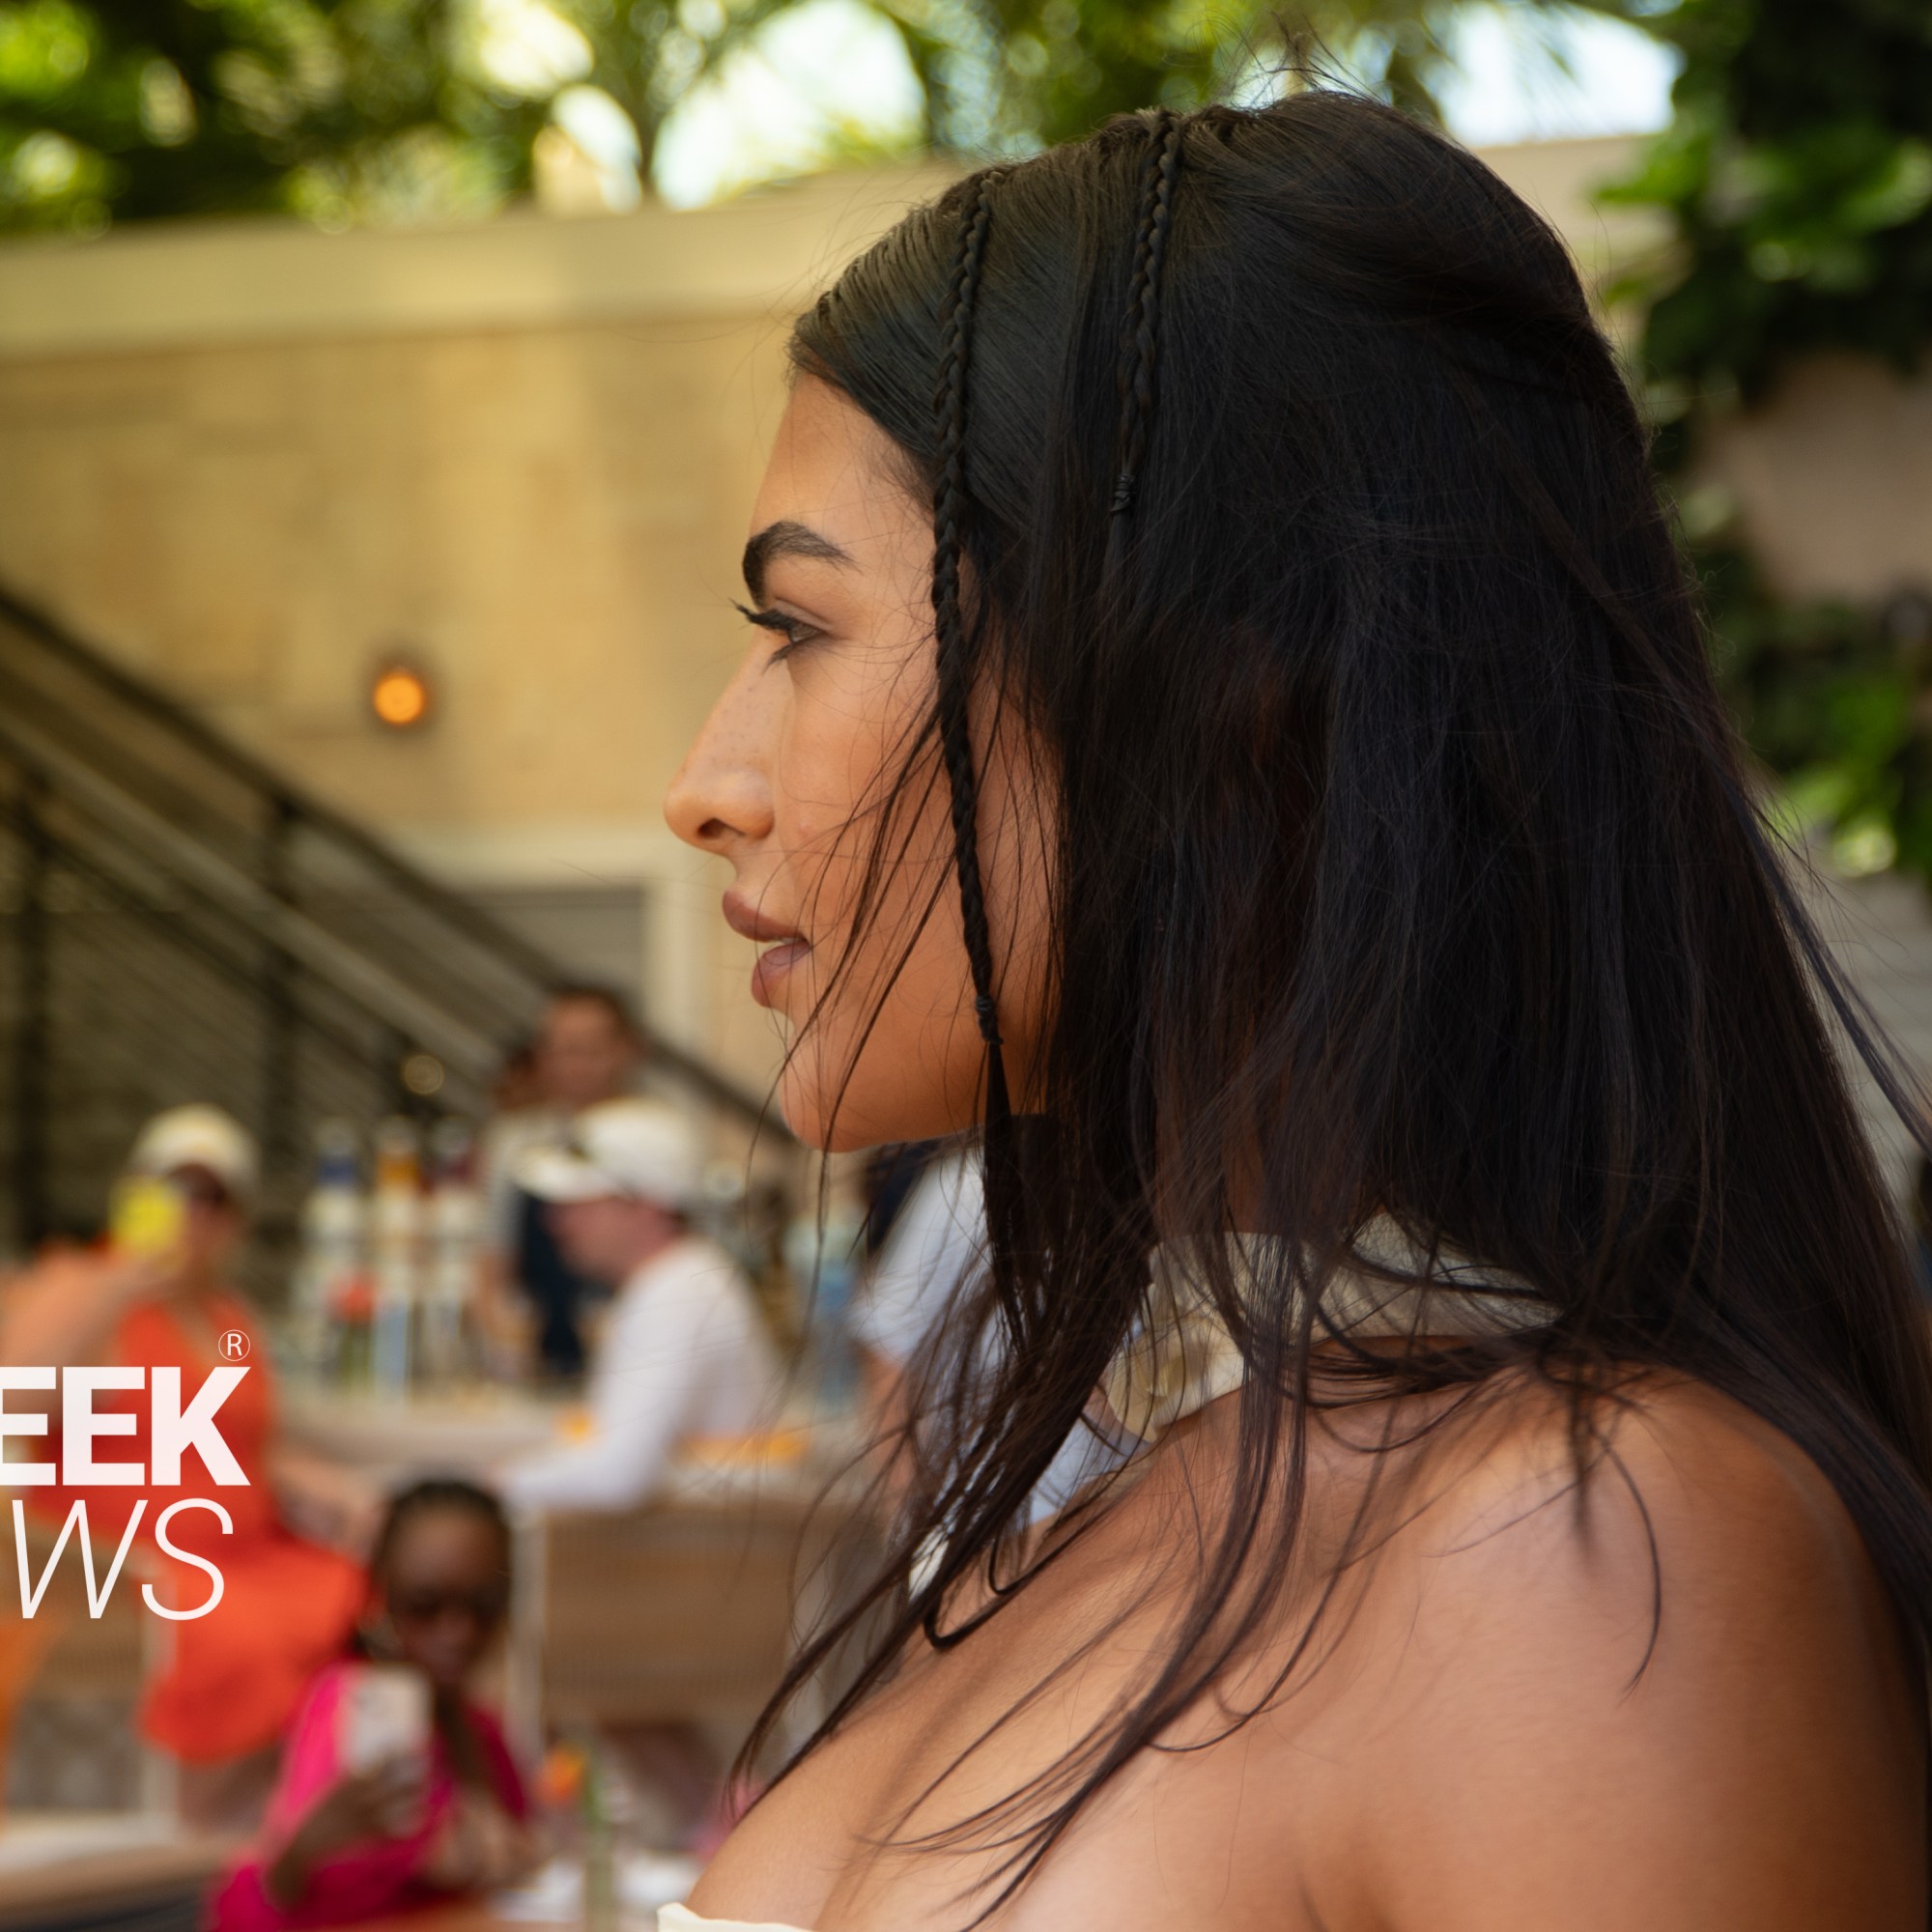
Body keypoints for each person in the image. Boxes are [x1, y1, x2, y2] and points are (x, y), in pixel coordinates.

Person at [658, 94, 1932, 1932]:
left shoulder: (1587, 1544)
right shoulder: (1105, 1524)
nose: (707, 786)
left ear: (1214, 715)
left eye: (800, 630)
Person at [0, 1106, 372, 1830]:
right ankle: (204, 1832)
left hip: (249, 1555)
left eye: (213, 1198)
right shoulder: (83, 1286)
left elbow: (244, 1442)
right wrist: (121, 1280)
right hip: (125, 1562)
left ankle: (285, 1818)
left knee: (364, 1599)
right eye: (176, 1190)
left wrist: (336, 1491)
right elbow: (15, 1395)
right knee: (237, 1635)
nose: (193, 1214)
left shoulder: (228, 1317)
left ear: (235, 1221)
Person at [209, 1478, 538, 1929]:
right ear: (380, 1599)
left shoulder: (484, 1732)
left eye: (483, 1605)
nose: (457, 1631)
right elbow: (245, 1910)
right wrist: (303, 1852)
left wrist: (516, 1859)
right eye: (424, 1605)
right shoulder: (346, 1704)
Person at [499, 1098, 781, 1514]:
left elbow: (618, 1476)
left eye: (581, 1203)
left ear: (650, 1205)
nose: (557, 1222)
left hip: (698, 1552)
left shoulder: (677, 1294)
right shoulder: (679, 1280)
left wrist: (493, 1486)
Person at [478, 984, 646, 1379]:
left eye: (589, 1048)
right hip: (540, 1362)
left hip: (637, 1358)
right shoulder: (513, 1143)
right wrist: (504, 1345)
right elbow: (492, 1263)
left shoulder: (653, 1141)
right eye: (560, 1049)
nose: (574, 1064)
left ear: (626, 1049)